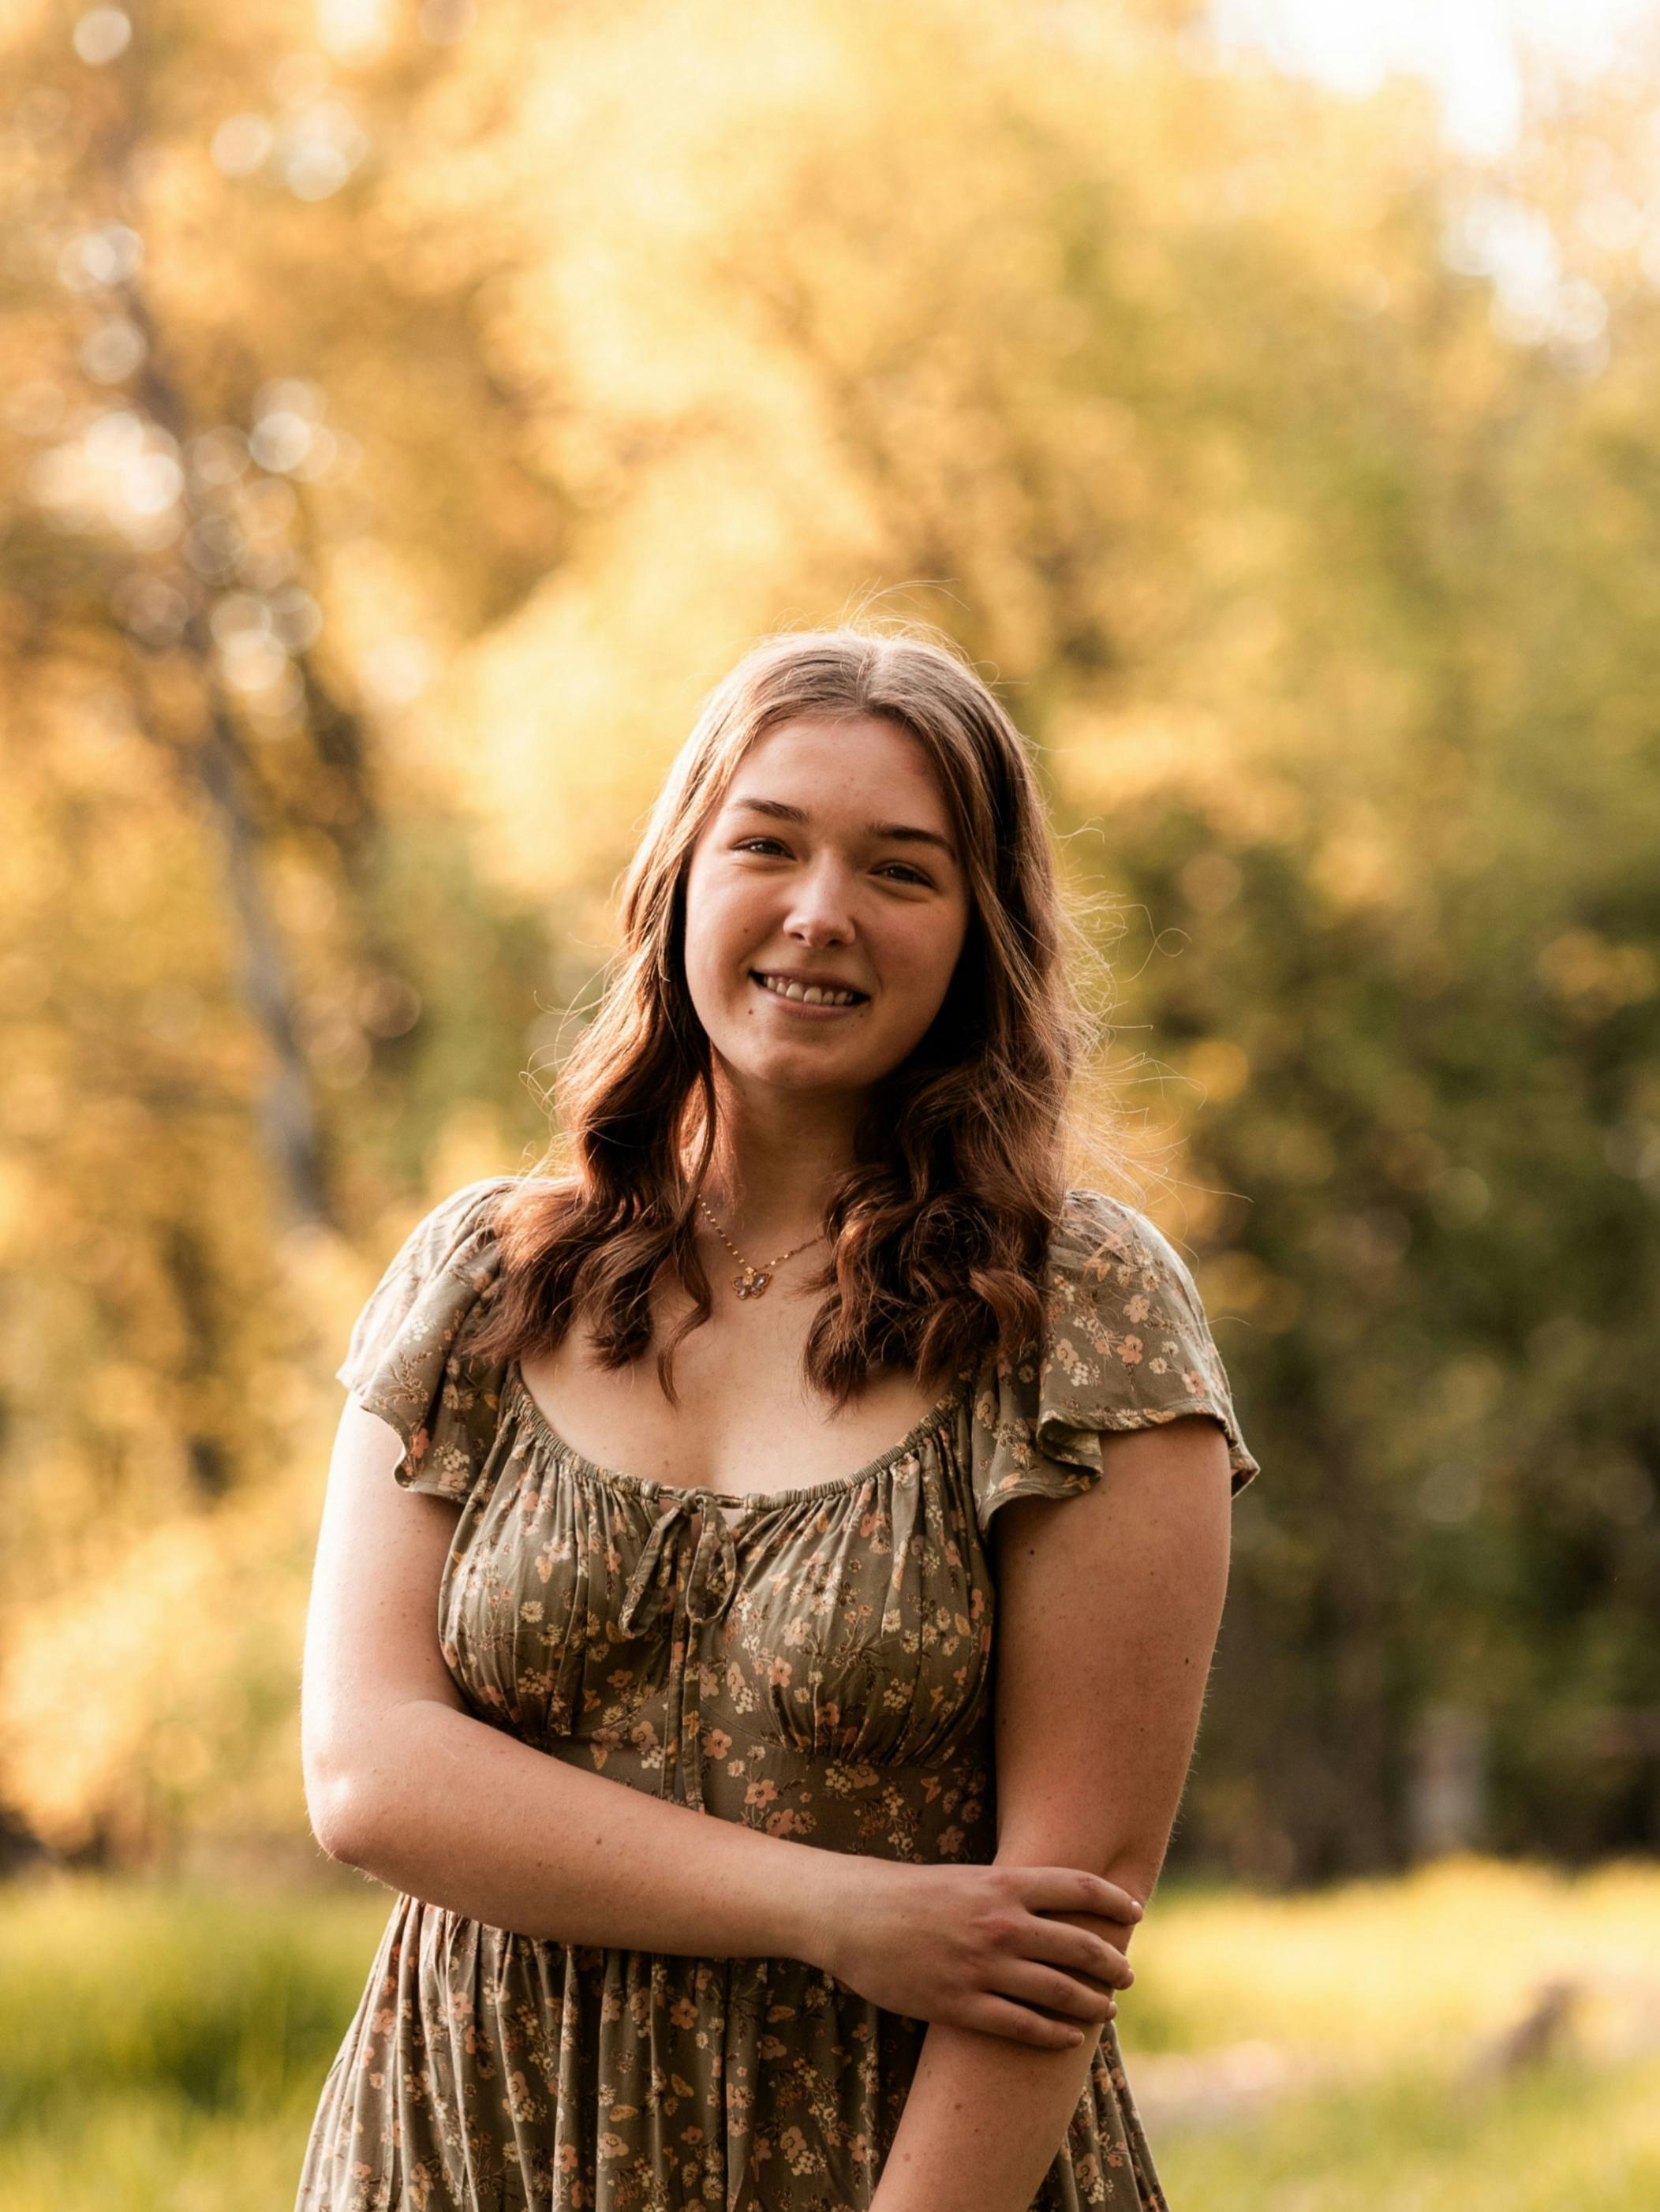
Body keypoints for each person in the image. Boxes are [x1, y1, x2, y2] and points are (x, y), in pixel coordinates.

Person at [294, 622, 1259, 2212]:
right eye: (767, 843)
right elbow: (370, 1773)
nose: (820, 912)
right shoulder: (478, 1278)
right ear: (678, 873)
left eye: (900, 869)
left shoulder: (1082, 1309)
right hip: (470, 2145)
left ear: (975, 935)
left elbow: (1056, 1929)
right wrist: (834, 1909)